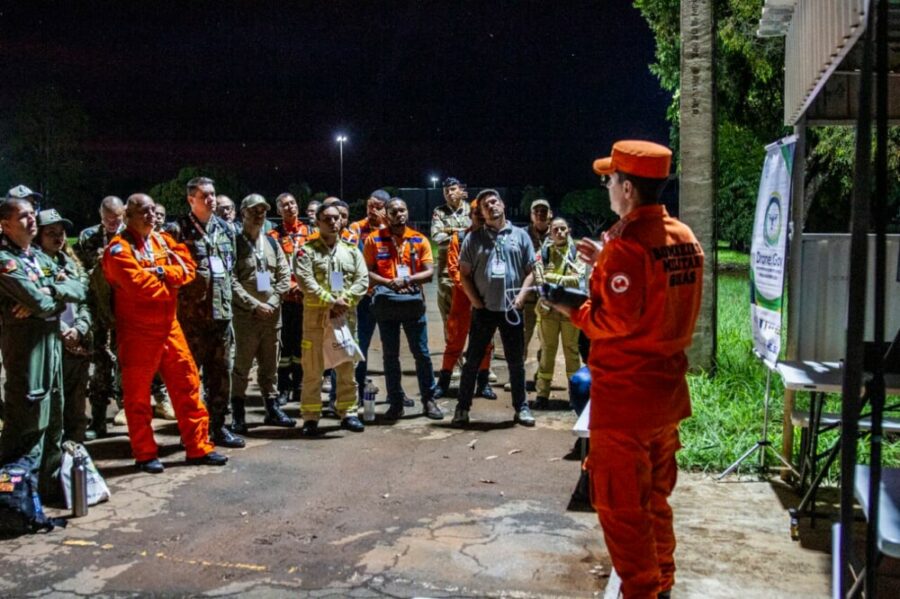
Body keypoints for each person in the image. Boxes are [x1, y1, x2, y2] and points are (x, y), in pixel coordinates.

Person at [549, 140, 703, 599]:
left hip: (625, 404)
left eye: (611, 180)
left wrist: (569, 307)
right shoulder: (683, 237)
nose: (608, 187)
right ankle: (662, 582)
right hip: (665, 397)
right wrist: (604, 263)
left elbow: (611, 320)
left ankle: (641, 590)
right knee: (654, 501)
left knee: (621, 507)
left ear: (629, 189)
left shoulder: (628, 248)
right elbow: (651, 292)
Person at [103, 193, 228, 473]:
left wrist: (161, 273)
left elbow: (188, 270)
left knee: (188, 386)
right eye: (142, 212)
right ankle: (145, 453)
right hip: (137, 333)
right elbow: (138, 287)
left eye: (151, 210)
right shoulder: (118, 249)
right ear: (128, 216)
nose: (150, 216)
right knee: (137, 397)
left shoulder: (162, 241)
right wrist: (169, 281)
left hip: (170, 328)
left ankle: (198, 447)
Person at [0, 198, 86, 496]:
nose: (31, 221)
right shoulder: (5, 260)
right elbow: (39, 303)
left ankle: (47, 494)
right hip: (28, 354)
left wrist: (50, 291)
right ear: (5, 224)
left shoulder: (39, 258)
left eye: (32, 215)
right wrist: (48, 298)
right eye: (22, 216)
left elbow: (79, 287)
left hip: (52, 349)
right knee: (24, 431)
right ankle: (13, 501)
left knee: (54, 425)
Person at [454, 189, 536, 427]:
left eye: (493, 202)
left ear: (502, 204)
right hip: (484, 310)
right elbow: (464, 275)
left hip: (512, 310)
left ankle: (521, 408)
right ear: (481, 213)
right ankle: (462, 408)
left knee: (516, 363)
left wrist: (521, 297)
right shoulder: (474, 239)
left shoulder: (520, 236)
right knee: (472, 361)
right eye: (485, 206)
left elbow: (531, 272)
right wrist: (476, 302)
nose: (491, 207)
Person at [174, 176, 245, 448]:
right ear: (191, 199)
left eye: (213, 194)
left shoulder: (226, 230)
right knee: (190, 378)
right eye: (205, 195)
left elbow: (230, 268)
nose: (211, 200)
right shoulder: (177, 230)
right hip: (191, 318)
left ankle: (218, 427)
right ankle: (190, 431)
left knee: (221, 375)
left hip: (221, 316)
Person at [363, 198, 442, 421]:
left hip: (412, 304)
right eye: (394, 211)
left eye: (403, 210)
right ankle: (395, 402)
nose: (399, 214)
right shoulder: (374, 239)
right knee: (390, 356)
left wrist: (407, 279)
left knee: (422, 354)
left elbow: (429, 272)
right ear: (386, 215)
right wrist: (388, 283)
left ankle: (429, 399)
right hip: (386, 306)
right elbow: (367, 271)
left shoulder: (418, 239)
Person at [294, 203, 369, 435]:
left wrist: (344, 300)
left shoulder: (352, 251)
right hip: (315, 322)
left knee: (346, 368)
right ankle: (310, 417)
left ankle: (348, 412)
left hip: (344, 320)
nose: (333, 222)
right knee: (313, 370)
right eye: (327, 218)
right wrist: (330, 301)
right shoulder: (306, 251)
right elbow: (305, 282)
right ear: (317, 222)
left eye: (337, 218)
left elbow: (362, 281)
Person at [230, 194, 294, 433]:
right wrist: (254, 304)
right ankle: (238, 412)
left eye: (263, 211)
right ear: (242, 212)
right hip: (246, 318)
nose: (259, 215)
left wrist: (275, 301)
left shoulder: (272, 243)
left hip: (272, 317)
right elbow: (231, 280)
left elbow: (284, 276)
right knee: (242, 367)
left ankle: (272, 408)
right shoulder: (234, 243)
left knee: (270, 366)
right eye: (254, 210)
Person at [36, 209, 93, 443]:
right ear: (38, 236)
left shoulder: (70, 264)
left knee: (77, 401)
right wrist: (62, 333)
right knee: (51, 405)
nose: (58, 237)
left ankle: (76, 450)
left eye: (60, 233)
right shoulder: (32, 265)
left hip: (76, 341)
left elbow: (84, 301)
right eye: (50, 233)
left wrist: (79, 329)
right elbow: (38, 304)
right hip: (50, 342)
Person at [75, 195, 128, 437]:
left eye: (116, 218)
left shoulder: (130, 236)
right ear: (100, 215)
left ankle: (130, 413)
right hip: (99, 311)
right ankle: (98, 421)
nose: (112, 223)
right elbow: (81, 270)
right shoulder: (88, 237)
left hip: (127, 310)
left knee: (128, 363)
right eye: (108, 219)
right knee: (101, 364)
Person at [434, 199, 496, 401]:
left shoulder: (494, 237)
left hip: (487, 302)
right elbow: (453, 270)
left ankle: (483, 383)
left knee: (486, 343)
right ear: (470, 215)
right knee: (454, 342)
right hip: (462, 301)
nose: (479, 215)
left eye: (482, 212)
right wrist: (472, 291)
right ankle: (443, 382)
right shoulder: (459, 238)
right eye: (475, 212)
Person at [533, 217, 585, 409]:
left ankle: (575, 395)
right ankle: (542, 394)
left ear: (569, 230)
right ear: (550, 232)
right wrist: (562, 279)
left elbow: (578, 279)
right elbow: (539, 281)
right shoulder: (543, 252)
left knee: (571, 352)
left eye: (563, 229)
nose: (560, 233)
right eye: (556, 229)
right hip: (548, 310)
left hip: (570, 311)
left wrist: (551, 277)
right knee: (547, 352)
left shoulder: (576, 252)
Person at [269, 193, 311, 406]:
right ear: (278, 211)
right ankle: (283, 387)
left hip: (305, 299)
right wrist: (284, 288)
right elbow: (269, 267)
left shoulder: (310, 232)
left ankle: (300, 386)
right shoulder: (272, 236)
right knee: (284, 347)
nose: (289, 207)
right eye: (284, 205)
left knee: (303, 345)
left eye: (292, 203)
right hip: (284, 299)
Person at [348, 190, 390, 403]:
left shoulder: (391, 230)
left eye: (377, 207)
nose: (372, 210)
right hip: (364, 297)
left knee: (390, 346)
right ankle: (357, 388)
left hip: (387, 295)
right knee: (360, 344)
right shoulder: (356, 228)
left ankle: (395, 393)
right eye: (369, 205)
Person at [430, 177, 470, 337]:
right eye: (446, 191)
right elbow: (437, 237)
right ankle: (454, 355)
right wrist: (461, 234)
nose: (449, 193)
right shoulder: (439, 212)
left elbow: (476, 236)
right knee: (449, 315)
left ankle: (477, 355)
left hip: (470, 271)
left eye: (453, 189)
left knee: (475, 315)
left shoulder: (473, 211)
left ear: (461, 190)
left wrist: (449, 231)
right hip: (446, 272)